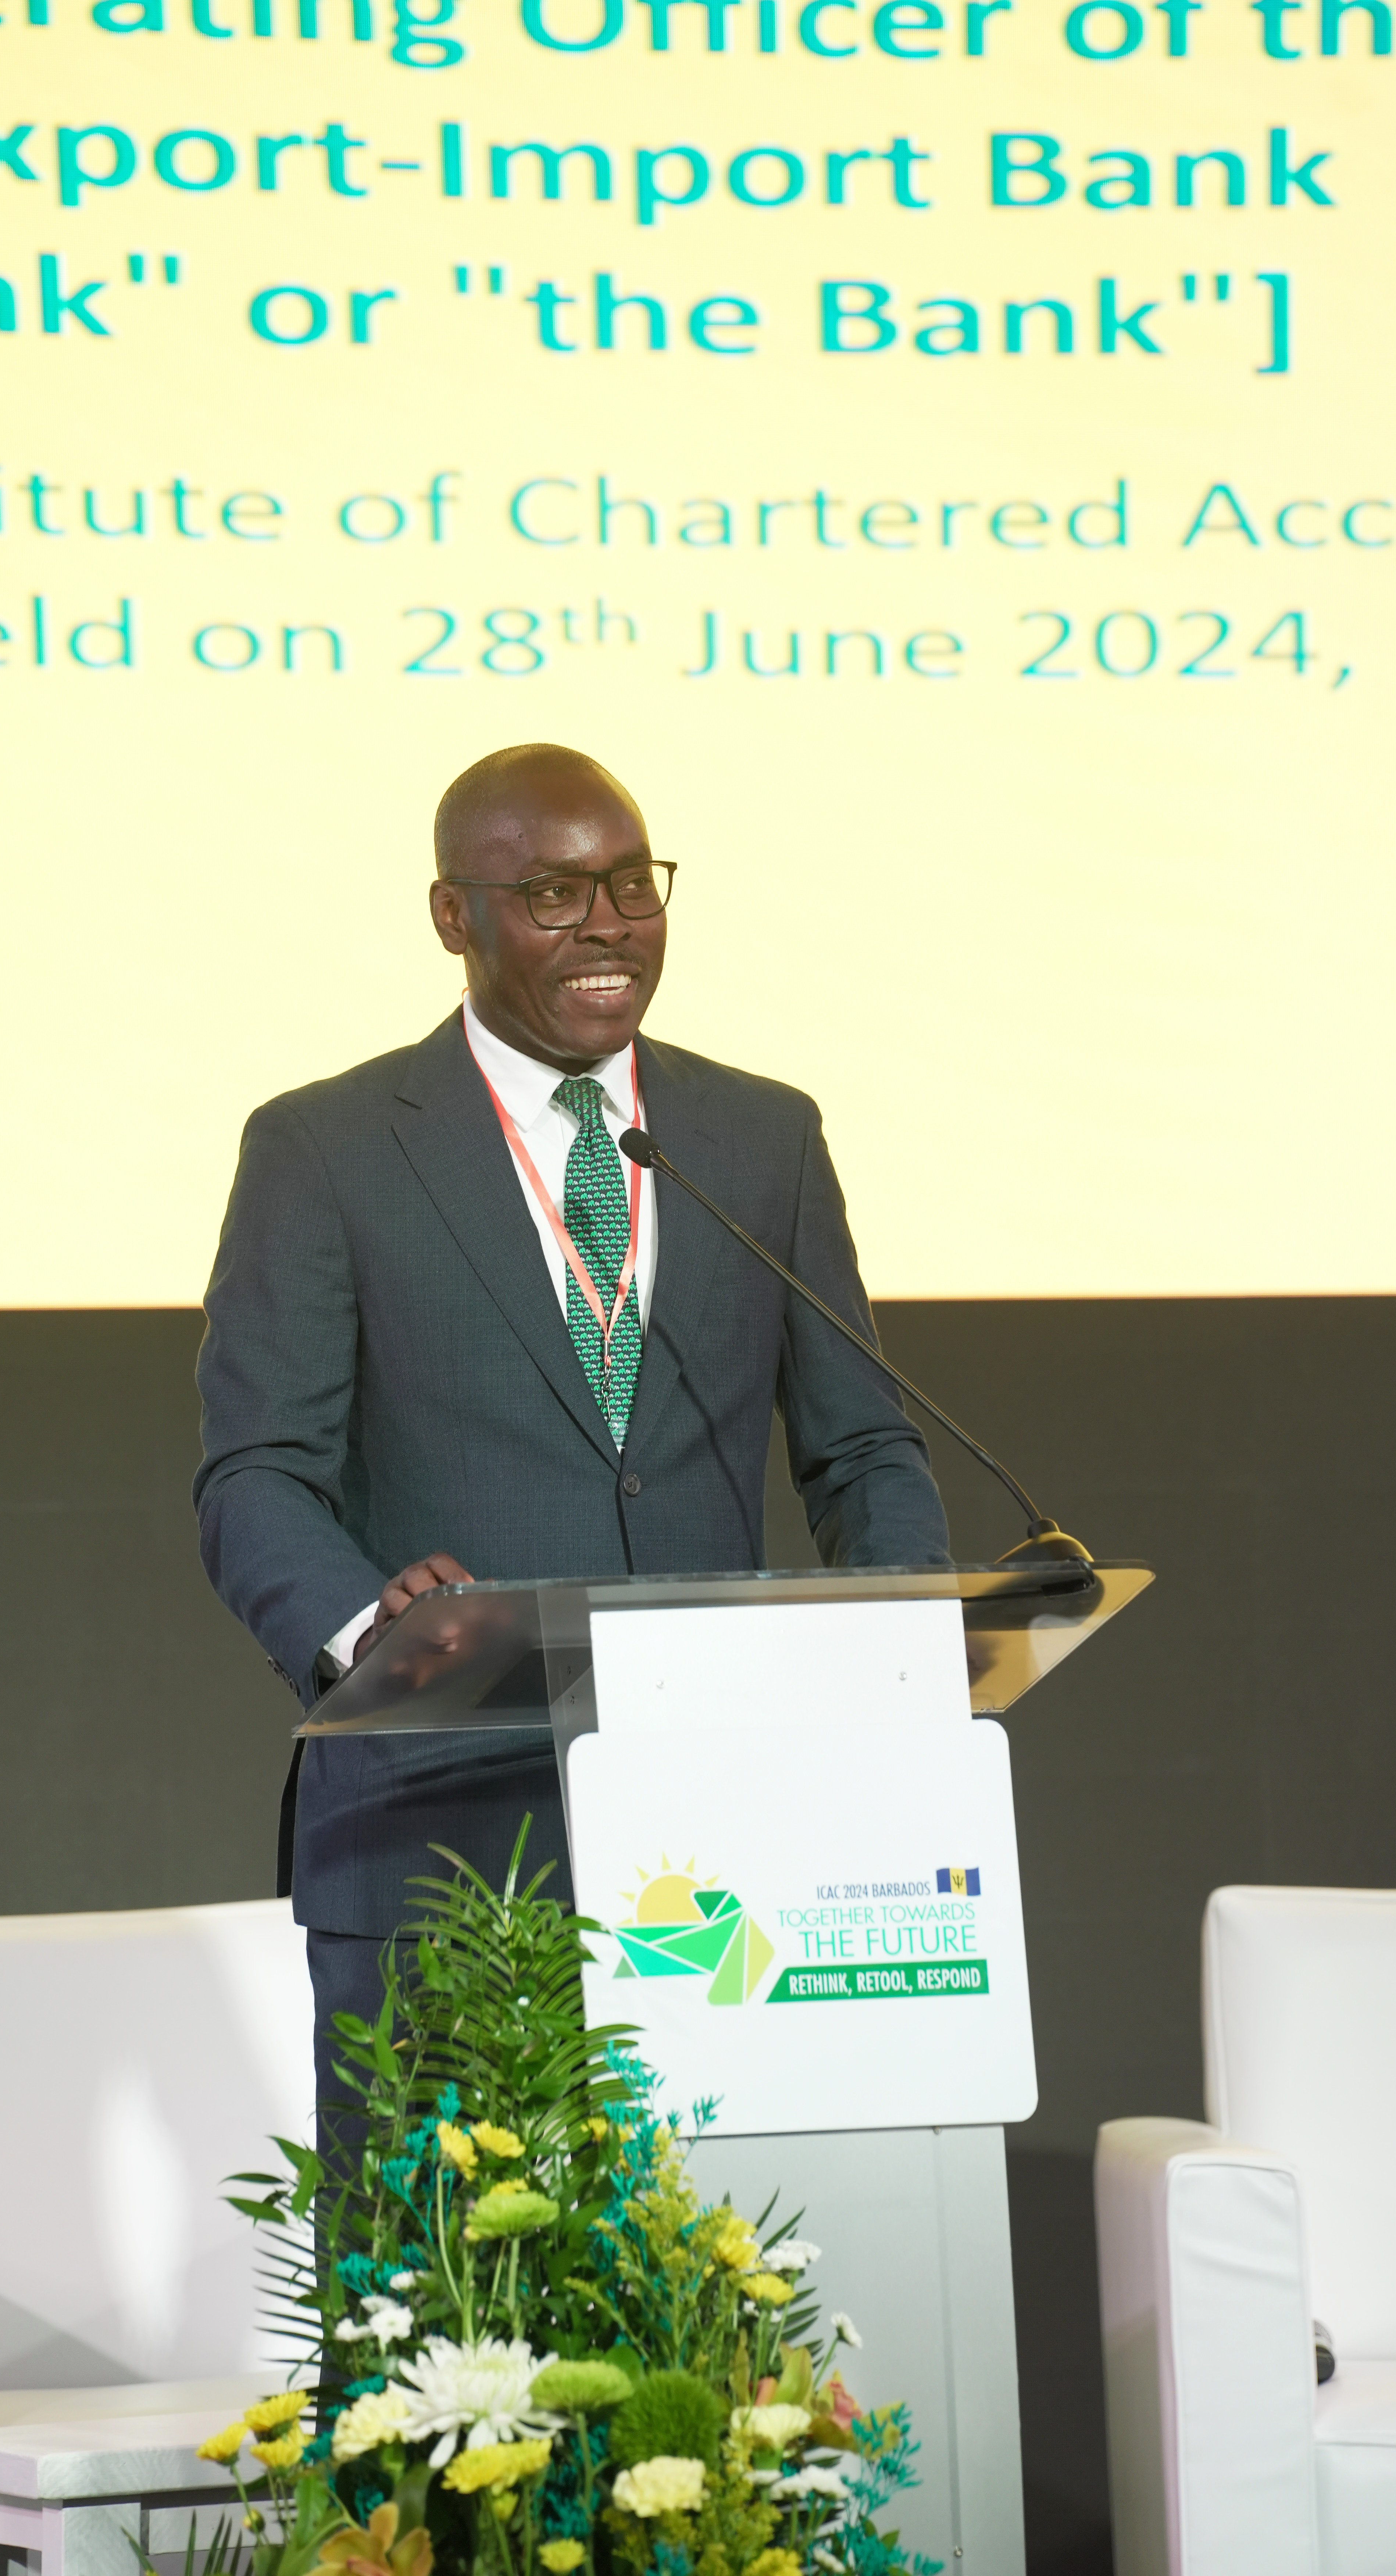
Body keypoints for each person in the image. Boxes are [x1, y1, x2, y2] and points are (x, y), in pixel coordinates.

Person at [194, 742, 950, 2126]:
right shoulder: (328, 1149)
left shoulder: (761, 1136)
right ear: (454, 917)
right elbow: (256, 1477)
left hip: (727, 1839)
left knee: (710, 2247)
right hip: (439, 1829)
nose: (608, 925)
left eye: (631, 885)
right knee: (443, 2260)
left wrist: (896, 1641)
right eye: (552, 894)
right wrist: (374, 1638)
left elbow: (862, 1450)